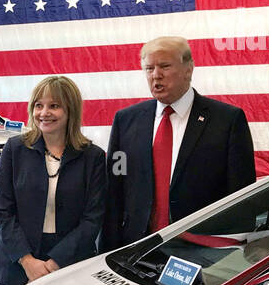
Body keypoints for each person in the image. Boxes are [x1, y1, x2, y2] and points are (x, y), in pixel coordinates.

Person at [104, 36, 256, 249]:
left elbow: (241, 193)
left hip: (203, 250)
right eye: (149, 69)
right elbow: (115, 187)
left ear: (189, 69)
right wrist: (107, 251)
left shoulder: (227, 121)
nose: (156, 75)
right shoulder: (126, 121)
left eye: (165, 66)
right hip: (137, 247)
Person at [0, 76, 107, 285]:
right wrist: (28, 262)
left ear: (70, 110)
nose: (44, 113)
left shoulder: (93, 157)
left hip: (71, 262)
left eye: (54, 106)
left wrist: (53, 265)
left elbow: (92, 219)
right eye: (39, 105)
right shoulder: (14, 149)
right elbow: (2, 210)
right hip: (20, 262)